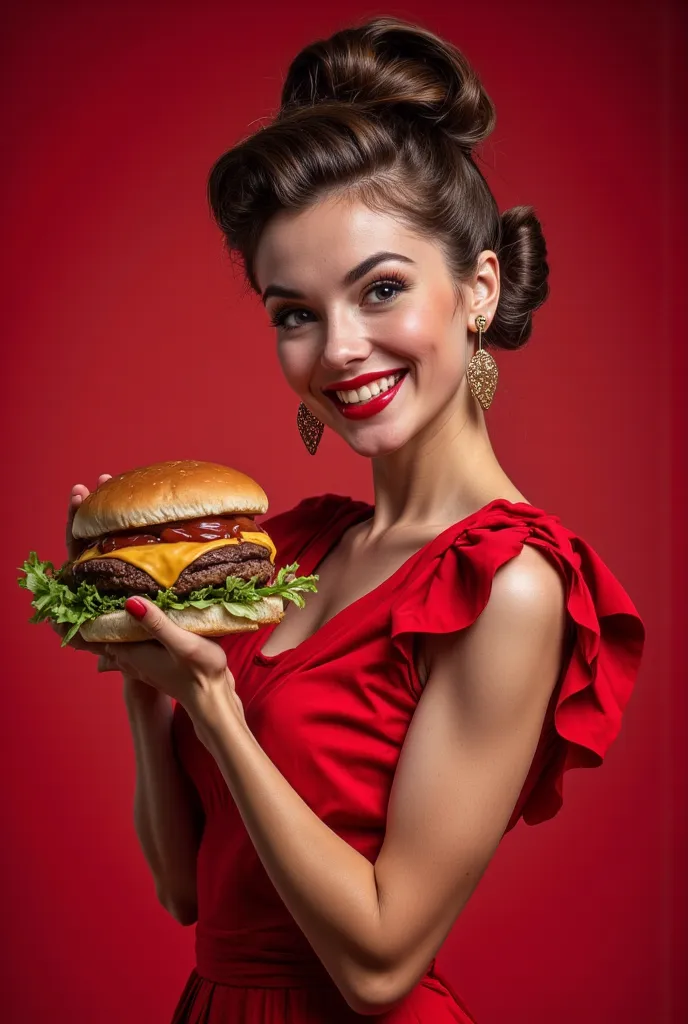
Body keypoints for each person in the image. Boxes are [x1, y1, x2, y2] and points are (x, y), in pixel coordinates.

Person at [59, 18, 645, 1024]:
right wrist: (143, 677)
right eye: (294, 311)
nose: (337, 349)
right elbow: (187, 893)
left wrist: (213, 708)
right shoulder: (290, 545)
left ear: (478, 288)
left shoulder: (508, 582)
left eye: (380, 289)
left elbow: (378, 964)